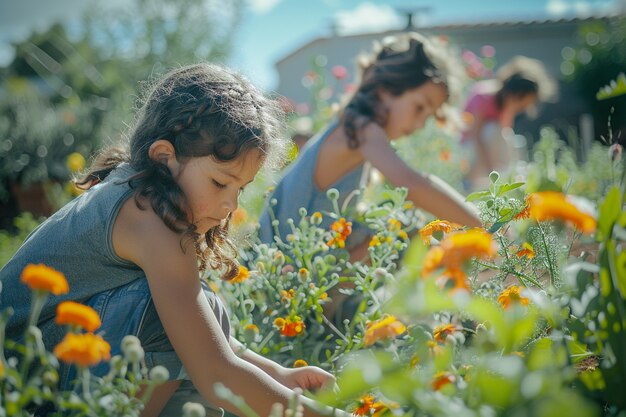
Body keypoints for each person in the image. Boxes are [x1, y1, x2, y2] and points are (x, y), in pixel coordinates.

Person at [0, 64, 345, 417]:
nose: (230, 205)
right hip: (19, 385)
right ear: (165, 157)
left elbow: (200, 336)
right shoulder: (146, 215)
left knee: (201, 306)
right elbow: (215, 372)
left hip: (52, 368)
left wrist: (279, 374)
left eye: (240, 189)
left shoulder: (145, 196)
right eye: (219, 183)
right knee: (159, 316)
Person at [258, 32, 481, 261]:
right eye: (420, 107)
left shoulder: (352, 127)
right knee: (407, 234)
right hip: (290, 271)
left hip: (299, 261)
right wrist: (483, 226)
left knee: (402, 230)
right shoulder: (360, 129)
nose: (421, 124)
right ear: (386, 87)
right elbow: (412, 183)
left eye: (429, 115)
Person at [460, 55, 557, 191]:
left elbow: (505, 133)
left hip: (486, 148)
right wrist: (491, 170)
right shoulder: (483, 96)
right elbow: (475, 136)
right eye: (521, 103)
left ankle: (510, 178)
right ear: (514, 93)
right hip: (467, 147)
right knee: (493, 130)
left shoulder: (505, 105)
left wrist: (509, 109)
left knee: (508, 136)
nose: (521, 108)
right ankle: (479, 183)